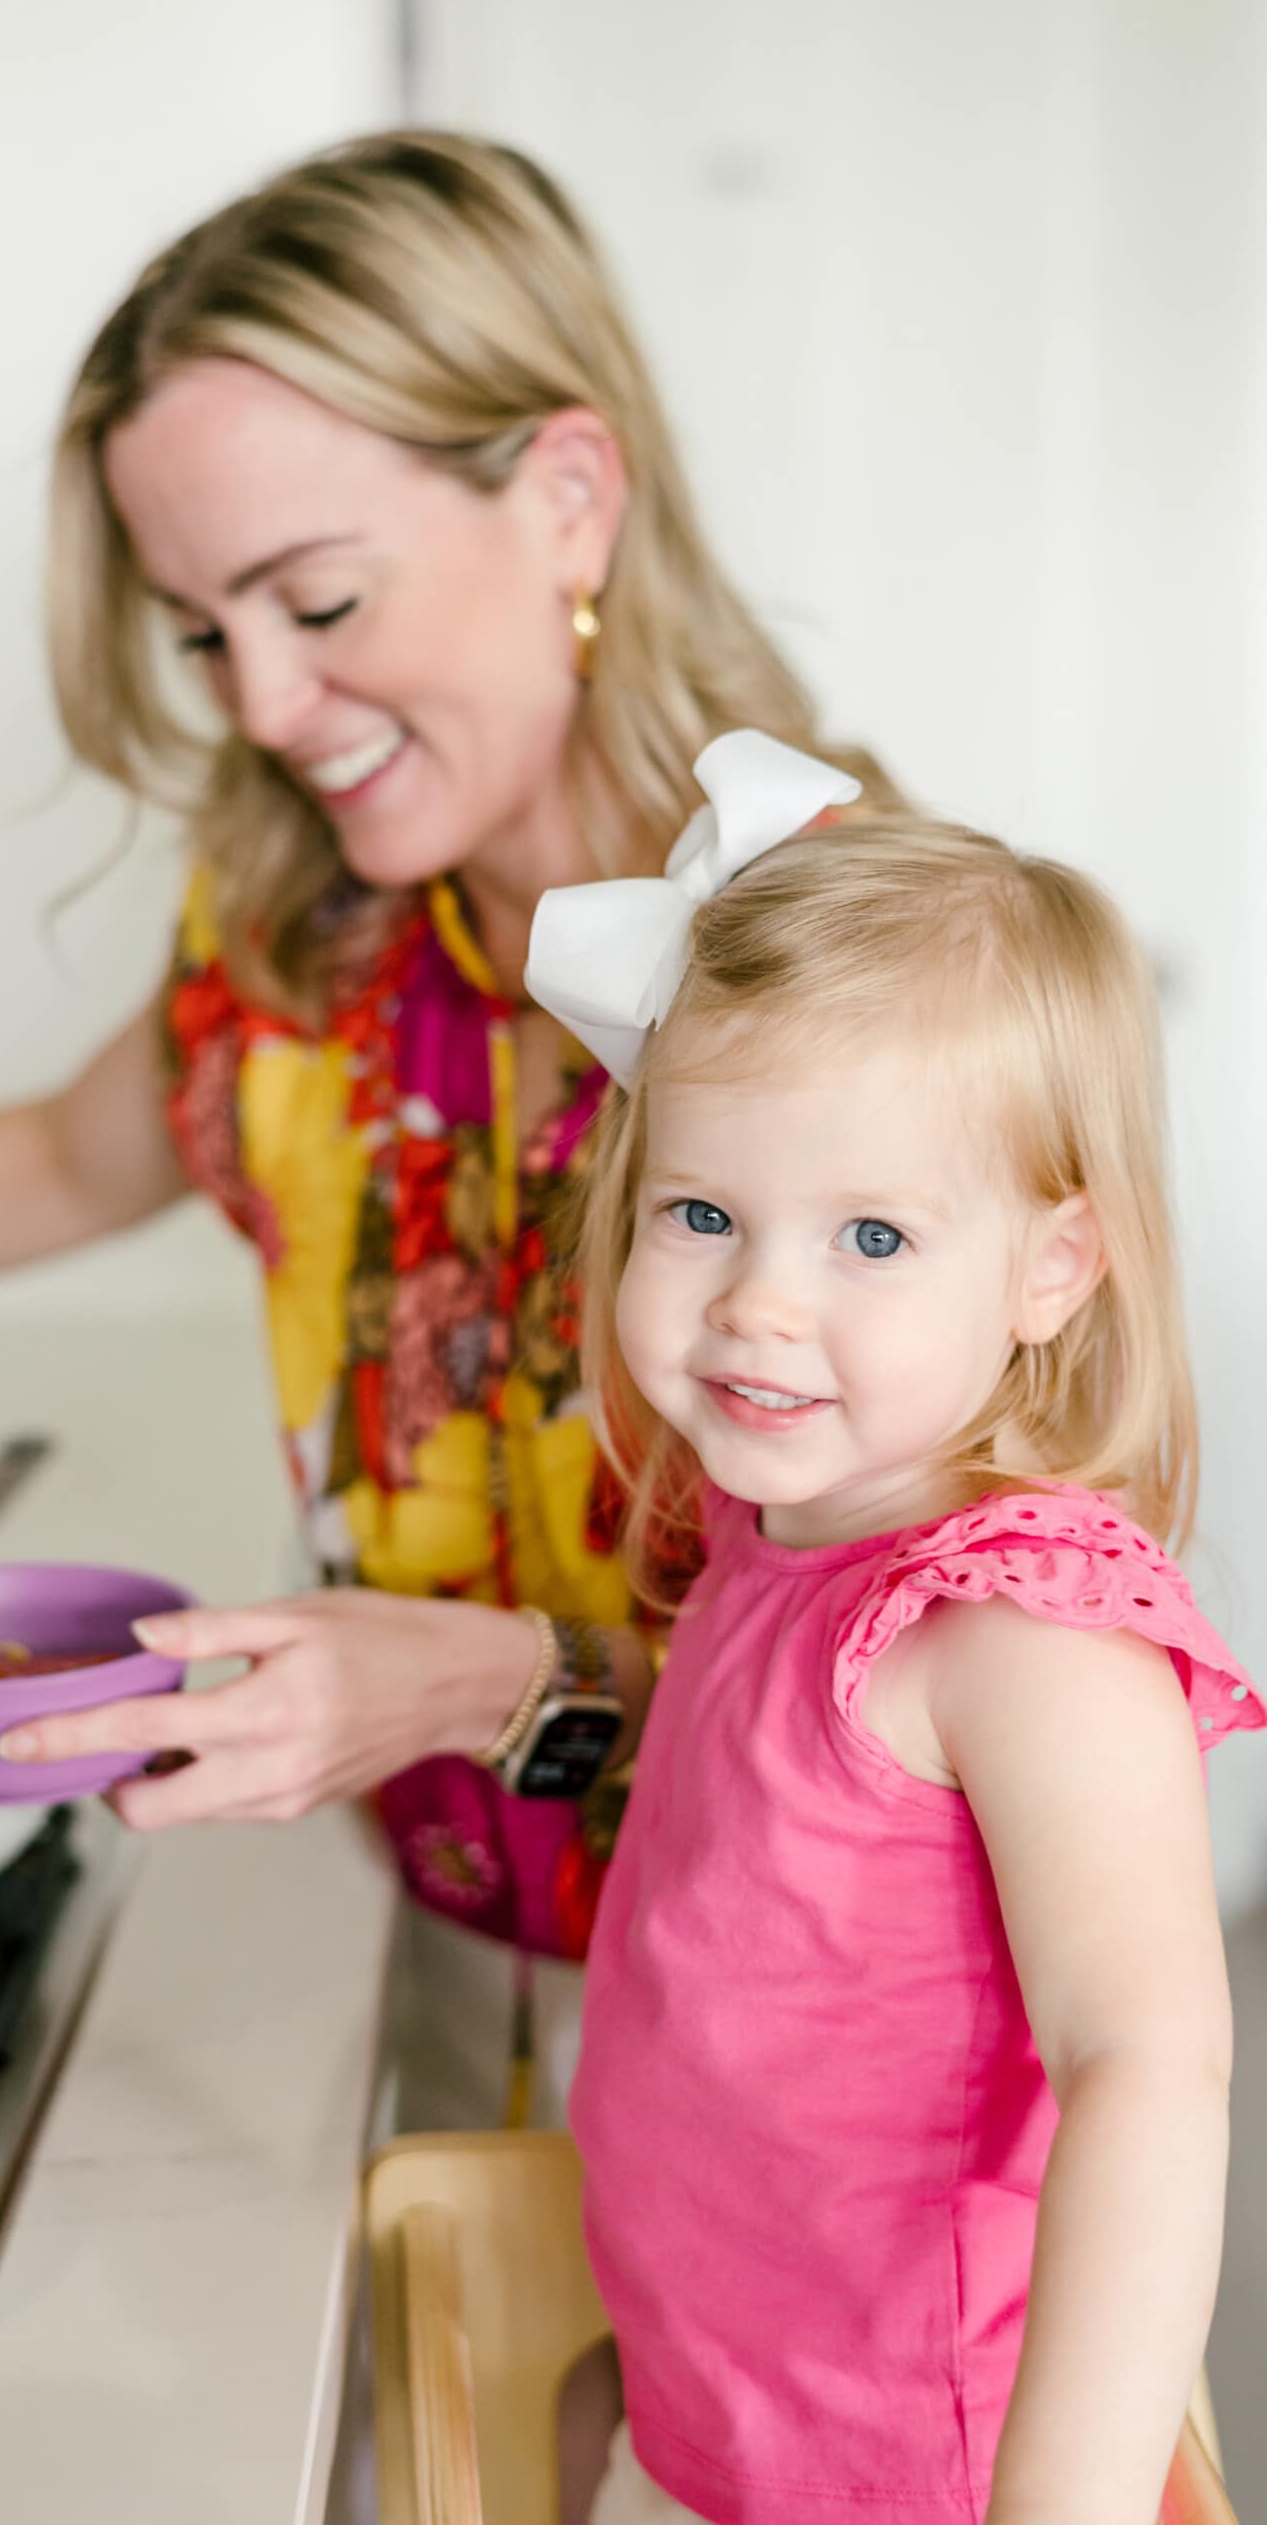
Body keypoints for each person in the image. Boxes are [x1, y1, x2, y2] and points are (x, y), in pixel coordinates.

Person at [0, 133, 900, 2127]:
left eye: (317, 597)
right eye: (204, 629)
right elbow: (61, 1154)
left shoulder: (859, 966)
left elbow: (950, 1649)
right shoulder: (319, 925)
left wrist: (489, 1679)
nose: (261, 702)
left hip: (830, 2020)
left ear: (564, 497)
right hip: (459, 1944)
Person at [520, 755, 1262, 2522]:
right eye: (702, 1215)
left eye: (872, 1235)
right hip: (712, 2437)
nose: (760, 1302)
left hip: (916, 2488)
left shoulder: (1018, 1629)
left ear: (1049, 1271)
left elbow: (1149, 2068)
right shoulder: (777, 1523)